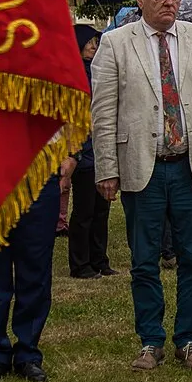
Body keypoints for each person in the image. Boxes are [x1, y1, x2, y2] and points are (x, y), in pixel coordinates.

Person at [91, 0, 192, 371]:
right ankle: (150, 340)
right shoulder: (115, 44)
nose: (170, 3)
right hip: (142, 167)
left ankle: (188, 339)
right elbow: (103, 112)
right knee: (144, 260)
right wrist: (106, 168)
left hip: (191, 167)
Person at [0, 156, 74, 382]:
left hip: (39, 174)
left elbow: (74, 120)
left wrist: (72, 155)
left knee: (35, 270)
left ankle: (28, 353)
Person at [66, 24, 116, 279]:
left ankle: (100, 260)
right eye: (90, 42)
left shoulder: (98, 71)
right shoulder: (73, 75)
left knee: (101, 210)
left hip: (102, 151)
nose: (94, 47)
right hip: (84, 152)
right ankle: (80, 264)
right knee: (84, 211)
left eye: (97, 42)